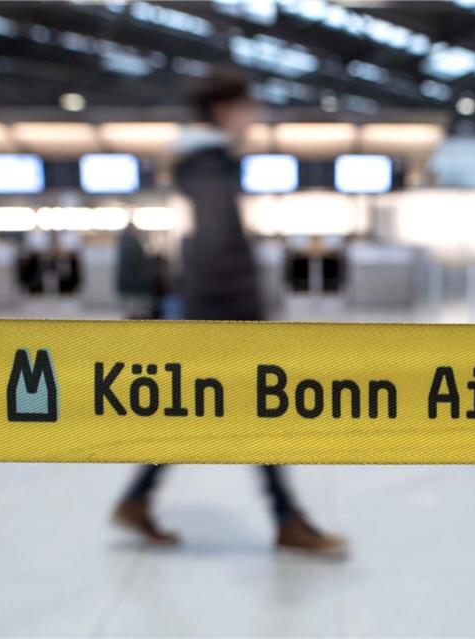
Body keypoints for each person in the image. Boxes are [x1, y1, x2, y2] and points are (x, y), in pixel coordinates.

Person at [112, 75, 347, 557]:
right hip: (224, 314)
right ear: (223, 111)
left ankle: (139, 499)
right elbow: (217, 247)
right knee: (254, 411)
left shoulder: (205, 163)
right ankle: (287, 520)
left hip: (214, 310)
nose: (253, 118)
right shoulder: (208, 164)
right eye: (247, 108)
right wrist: (241, 318)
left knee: (206, 412)